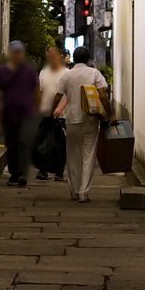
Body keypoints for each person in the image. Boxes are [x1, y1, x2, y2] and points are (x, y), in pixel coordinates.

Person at [53, 45, 114, 203]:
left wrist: (51, 112)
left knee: (73, 155)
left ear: (73, 58)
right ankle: (84, 193)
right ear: (88, 59)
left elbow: (58, 96)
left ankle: (74, 190)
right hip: (90, 120)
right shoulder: (95, 73)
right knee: (88, 155)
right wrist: (110, 114)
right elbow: (103, 95)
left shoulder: (67, 75)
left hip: (72, 120)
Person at [0, 40, 39, 187]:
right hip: (8, 114)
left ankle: (23, 173)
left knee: (24, 142)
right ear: (11, 53)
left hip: (26, 113)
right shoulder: (2, 71)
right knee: (11, 144)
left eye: (20, 52)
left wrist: (37, 109)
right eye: (15, 52)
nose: (18, 55)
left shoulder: (29, 71)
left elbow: (36, 90)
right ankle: (14, 173)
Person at [36, 46, 67, 181]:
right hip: (45, 114)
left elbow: (70, 94)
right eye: (49, 55)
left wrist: (60, 109)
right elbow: (40, 92)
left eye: (54, 55)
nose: (51, 58)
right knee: (43, 143)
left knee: (59, 145)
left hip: (62, 115)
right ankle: (43, 171)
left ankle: (59, 172)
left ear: (60, 56)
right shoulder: (43, 72)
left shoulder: (67, 73)